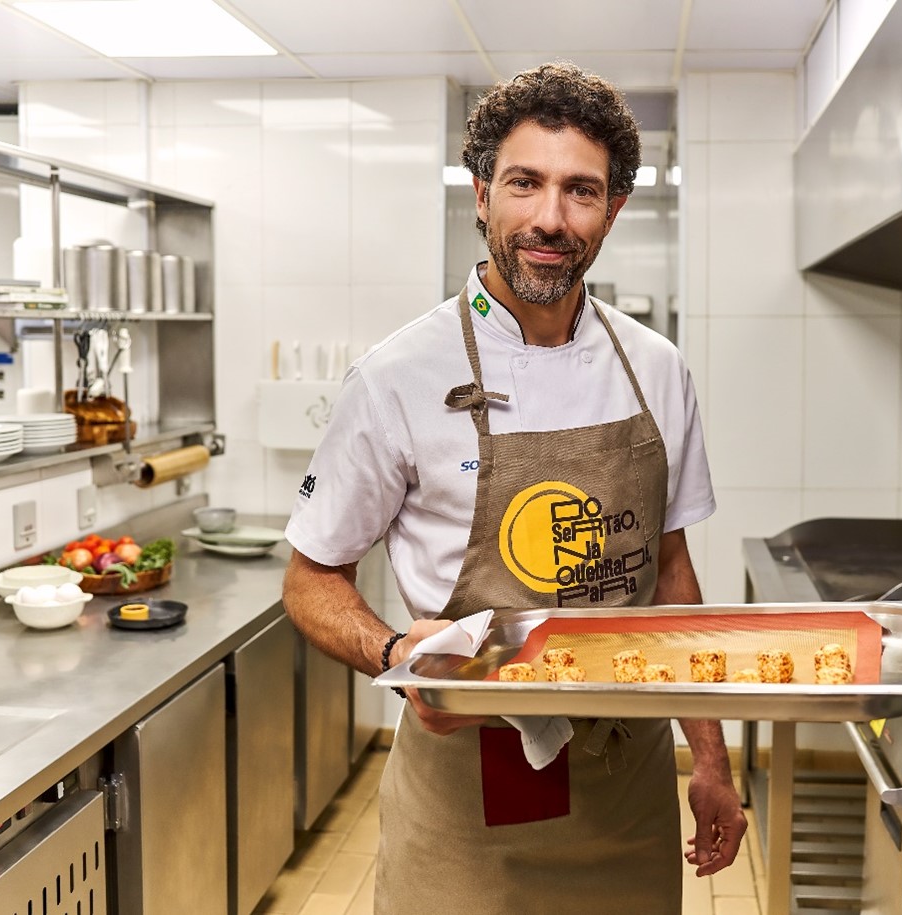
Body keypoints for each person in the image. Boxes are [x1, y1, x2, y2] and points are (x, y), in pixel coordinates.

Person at [282, 60, 745, 913]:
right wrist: (397, 655)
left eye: (580, 191)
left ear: (614, 209)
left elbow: (670, 575)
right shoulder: (396, 377)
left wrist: (711, 758)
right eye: (525, 182)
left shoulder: (657, 369)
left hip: (625, 782)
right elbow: (311, 579)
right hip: (468, 795)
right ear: (482, 193)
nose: (550, 218)